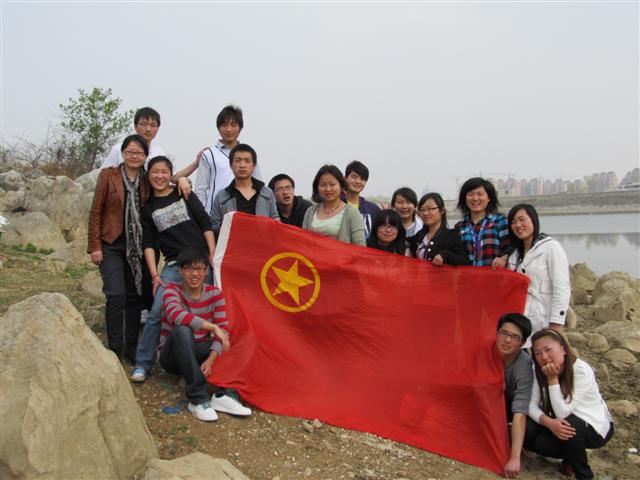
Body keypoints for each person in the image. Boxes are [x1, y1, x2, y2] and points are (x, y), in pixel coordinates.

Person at [130, 156, 216, 383]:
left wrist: (212, 254)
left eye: (164, 172)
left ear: (171, 174)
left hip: (199, 264)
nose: (159, 176)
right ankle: (142, 363)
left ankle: (205, 362)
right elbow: (148, 244)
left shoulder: (183, 192)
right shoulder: (148, 208)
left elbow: (205, 222)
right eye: (154, 172)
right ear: (148, 175)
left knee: (204, 311)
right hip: (172, 267)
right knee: (156, 312)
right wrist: (154, 275)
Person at [158, 248, 251, 421]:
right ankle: (198, 398)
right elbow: (176, 315)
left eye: (199, 269)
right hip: (172, 354)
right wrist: (212, 327)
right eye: (189, 268)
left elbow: (223, 329)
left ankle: (224, 395)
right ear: (180, 270)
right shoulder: (171, 290)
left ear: (206, 271)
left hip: (199, 349)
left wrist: (211, 359)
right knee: (183, 330)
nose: (195, 274)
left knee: (240, 341)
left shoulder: (215, 293)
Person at [88, 134, 150, 362]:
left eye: (139, 153)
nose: (134, 156)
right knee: (116, 294)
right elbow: (96, 211)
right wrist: (95, 246)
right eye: (130, 152)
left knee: (134, 297)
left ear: (145, 156)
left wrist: (184, 181)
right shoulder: (108, 175)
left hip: (136, 248)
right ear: (122, 154)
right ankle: (114, 349)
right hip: (111, 244)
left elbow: (167, 182)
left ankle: (131, 350)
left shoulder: (147, 180)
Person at [525, 330, 614, 480]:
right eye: (538, 353)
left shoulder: (581, 370)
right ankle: (568, 458)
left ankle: (584, 474)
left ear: (563, 349)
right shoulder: (537, 369)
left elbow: (563, 412)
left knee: (569, 426)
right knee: (536, 437)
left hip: (592, 425)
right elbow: (530, 405)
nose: (544, 357)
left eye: (548, 350)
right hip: (558, 420)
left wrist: (552, 379)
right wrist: (549, 423)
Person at [507, 204, 570, 345]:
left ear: (533, 220)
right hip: (520, 319)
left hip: (544, 318)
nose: (518, 225)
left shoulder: (551, 247)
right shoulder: (514, 253)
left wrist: (556, 322)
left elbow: (562, 287)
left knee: (544, 353)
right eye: (513, 222)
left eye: (522, 219)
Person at [100, 106, 195, 194]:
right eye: (143, 124)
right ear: (135, 126)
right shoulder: (119, 149)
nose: (148, 129)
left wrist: (196, 163)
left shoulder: (158, 152)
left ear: (158, 128)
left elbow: (173, 178)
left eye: (153, 125)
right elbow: (101, 177)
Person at [194, 105, 262, 215]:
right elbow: (200, 190)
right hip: (216, 215)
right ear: (218, 128)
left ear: (240, 128)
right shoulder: (208, 154)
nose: (229, 129)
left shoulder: (248, 155)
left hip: (246, 213)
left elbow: (259, 185)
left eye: (233, 125)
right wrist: (203, 217)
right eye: (224, 125)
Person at [496, 313, 534, 479]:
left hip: (509, 407)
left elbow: (520, 409)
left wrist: (514, 458)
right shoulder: (486, 350)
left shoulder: (523, 364)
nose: (507, 340)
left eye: (515, 337)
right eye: (504, 333)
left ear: (523, 343)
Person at [210, 144, 279, 234]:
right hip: (234, 242)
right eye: (238, 161)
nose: (242, 165)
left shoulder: (266, 193)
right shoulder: (221, 196)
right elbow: (214, 225)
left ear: (254, 166)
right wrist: (226, 225)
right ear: (231, 165)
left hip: (262, 241)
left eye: (247, 161)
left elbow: (275, 221)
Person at [302, 164, 366, 246]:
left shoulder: (352, 213)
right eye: (323, 185)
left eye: (332, 184)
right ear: (317, 187)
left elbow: (360, 248)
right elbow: (303, 241)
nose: (328, 189)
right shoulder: (310, 211)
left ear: (341, 186)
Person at [454, 177, 510, 268]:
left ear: (489, 198)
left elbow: (510, 249)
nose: (475, 198)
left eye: (480, 194)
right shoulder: (460, 227)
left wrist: (504, 258)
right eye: (470, 194)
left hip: (493, 275)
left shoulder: (500, 222)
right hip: (467, 276)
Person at [412, 193, 470, 266]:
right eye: (422, 210)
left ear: (442, 210)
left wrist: (445, 255)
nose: (425, 213)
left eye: (430, 209)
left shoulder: (451, 237)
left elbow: (464, 261)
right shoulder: (419, 236)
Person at [344, 160, 381, 239]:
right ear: (345, 178)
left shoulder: (373, 210)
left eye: (362, 179)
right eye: (354, 177)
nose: (358, 181)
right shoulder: (335, 205)